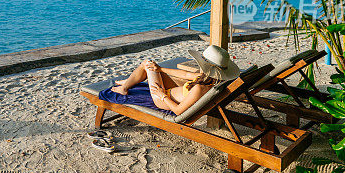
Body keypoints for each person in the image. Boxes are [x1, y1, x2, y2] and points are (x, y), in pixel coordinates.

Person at [100, 45, 240, 116]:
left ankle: (125, 87)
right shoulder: (210, 80)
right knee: (153, 68)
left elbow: (178, 111)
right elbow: (185, 74)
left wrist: (162, 95)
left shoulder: (199, 88)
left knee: (146, 64)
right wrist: (160, 69)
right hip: (171, 92)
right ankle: (128, 82)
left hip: (162, 99)